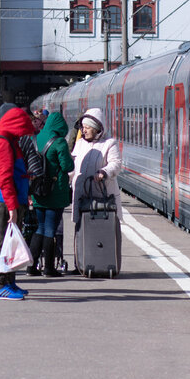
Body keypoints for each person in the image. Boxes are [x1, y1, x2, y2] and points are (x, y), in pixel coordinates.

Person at [0, 103, 36, 300]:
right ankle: (0, 284)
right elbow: (4, 178)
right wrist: (13, 206)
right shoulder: (3, 143)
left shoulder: (9, 140)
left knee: (11, 243)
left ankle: (10, 281)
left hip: (12, 198)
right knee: (3, 243)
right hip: (6, 201)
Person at [71, 107, 123, 266]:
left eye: (86, 128)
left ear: (96, 128)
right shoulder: (79, 144)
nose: (83, 130)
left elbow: (116, 163)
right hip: (81, 195)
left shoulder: (109, 143)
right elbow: (72, 167)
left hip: (103, 197)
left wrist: (104, 172)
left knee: (104, 229)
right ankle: (81, 263)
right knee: (81, 228)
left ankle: (105, 262)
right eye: (83, 127)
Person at [30, 111, 74, 278]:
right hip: (55, 192)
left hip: (38, 190)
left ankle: (31, 266)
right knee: (50, 229)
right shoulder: (60, 142)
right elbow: (67, 166)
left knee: (39, 227)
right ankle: (48, 268)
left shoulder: (36, 138)